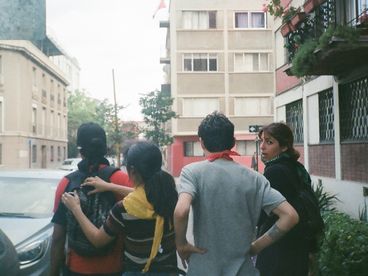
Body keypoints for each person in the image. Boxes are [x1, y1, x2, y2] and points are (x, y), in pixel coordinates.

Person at [174, 111, 299, 276]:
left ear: (201, 143)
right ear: (233, 142)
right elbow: (290, 216)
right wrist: (256, 247)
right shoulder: (255, 178)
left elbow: (181, 211)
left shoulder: (192, 172)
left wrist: (181, 245)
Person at [61, 141, 181, 275]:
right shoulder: (170, 197)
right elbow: (144, 197)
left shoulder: (124, 209)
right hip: (169, 271)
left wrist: (76, 209)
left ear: (132, 171)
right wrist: (110, 186)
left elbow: (98, 240)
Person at [50, 122, 132, 276]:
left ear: (80, 150)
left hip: (76, 269)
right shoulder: (121, 180)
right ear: (105, 149)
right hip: (114, 268)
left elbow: (58, 237)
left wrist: (53, 272)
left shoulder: (67, 183)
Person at [256, 122, 313, 276]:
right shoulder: (296, 167)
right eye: (261, 140)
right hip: (299, 245)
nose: (262, 147)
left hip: (279, 248)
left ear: (284, 147)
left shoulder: (274, 171)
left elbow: (263, 214)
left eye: (269, 142)